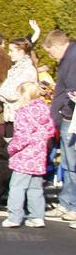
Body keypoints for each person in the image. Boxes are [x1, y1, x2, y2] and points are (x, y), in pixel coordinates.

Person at [2, 82, 55, 227]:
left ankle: (14, 217)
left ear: (25, 95)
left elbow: (22, 137)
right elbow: (50, 130)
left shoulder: (23, 112)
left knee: (17, 187)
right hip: (39, 155)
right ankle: (37, 216)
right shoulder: (45, 109)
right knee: (35, 187)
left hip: (24, 157)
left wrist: (10, 148)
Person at [43, 30, 76, 220]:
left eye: (50, 52)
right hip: (66, 117)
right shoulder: (69, 57)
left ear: (56, 46)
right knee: (67, 163)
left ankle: (72, 205)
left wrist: (61, 113)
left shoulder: (71, 58)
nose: (51, 57)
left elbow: (70, 91)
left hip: (70, 118)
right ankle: (66, 203)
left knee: (72, 165)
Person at [0, 37, 38, 131]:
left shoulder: (27, 70)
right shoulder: (15, 68)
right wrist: (1, 92)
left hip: (20, 117)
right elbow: (5, 89)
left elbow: (12, 94)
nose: (9, 54)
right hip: (10, 116)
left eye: (12, 51)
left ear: (21, 51)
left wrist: (0, 92)